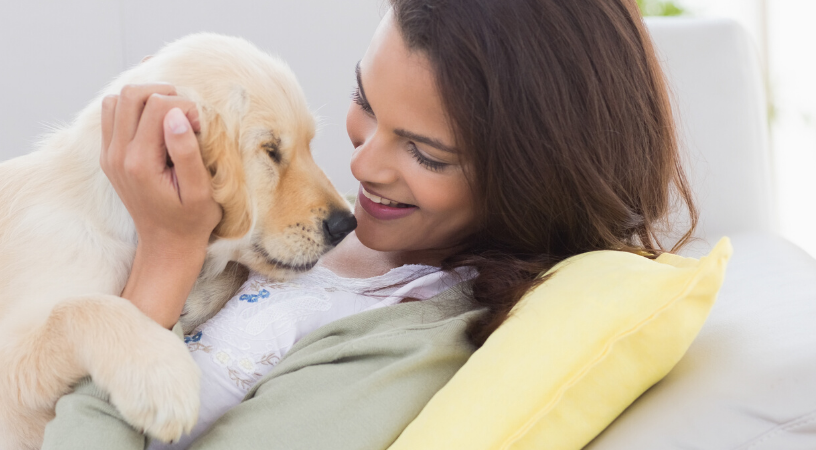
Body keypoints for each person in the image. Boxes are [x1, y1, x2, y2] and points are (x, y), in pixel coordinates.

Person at [42, 0, 696, 449]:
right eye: (363, 100)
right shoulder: (308, 226)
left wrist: (164, 257)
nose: (359, 162)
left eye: (425, 153)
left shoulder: (413, 345)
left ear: (530, 180)